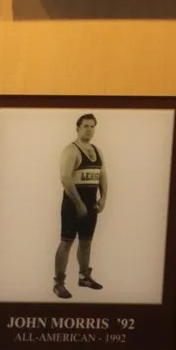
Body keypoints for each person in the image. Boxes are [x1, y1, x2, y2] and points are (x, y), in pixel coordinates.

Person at [54, 113, 106, 299]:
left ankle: (84, 276)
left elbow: (102, 175)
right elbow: (66, 179)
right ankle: (59, 283)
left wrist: (103, 199)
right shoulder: (71, 150)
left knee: (86, 241)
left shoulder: (96, 150)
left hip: (91, 202)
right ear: (77, 128)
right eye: (86, 126)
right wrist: (79, 204)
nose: (89, 129)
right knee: (66, 242)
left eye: (92, 126)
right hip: (73, 202)